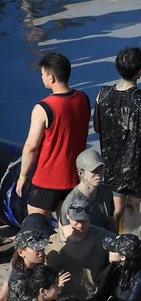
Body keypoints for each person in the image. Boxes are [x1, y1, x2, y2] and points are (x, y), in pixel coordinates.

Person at [95, 46, 141, 233]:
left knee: (116, 211)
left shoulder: (102, 94)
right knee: (138, 211)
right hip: (138, 166)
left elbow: (96, 127)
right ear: (140, 71)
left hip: (112, 164)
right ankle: (136, 247)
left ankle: (113, 248)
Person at [16, 53, 89, 219]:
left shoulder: (43, 108)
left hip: (46, 180)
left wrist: (22, 176)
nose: (42, 77)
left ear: (51, 77)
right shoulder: (83, 99)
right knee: (69, 227)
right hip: (75, 178)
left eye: (42, 74)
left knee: (35, 228)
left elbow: (31, 147)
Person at [44, 193, 115, 301]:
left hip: (92, 297)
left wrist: (108, 271)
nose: (80, 224)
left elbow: (126, 249)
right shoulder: (52, 238)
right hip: (60, 297)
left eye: (85, 220)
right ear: (67, 215)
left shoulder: (100, 236)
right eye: (77, 220)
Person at [57, 150, 117, 232]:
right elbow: (66, 233)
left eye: (101, 168)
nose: (98, 174)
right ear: (81, 173)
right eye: (94, 170)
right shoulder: (71, 202)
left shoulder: (106, 191)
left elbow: (111, 221)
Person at [3, 224, 64, 301]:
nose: (41, 252)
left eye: (42, 248)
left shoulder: (36, 268)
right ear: (21, 252)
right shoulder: (20, 280)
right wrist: (54, 288)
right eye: (36, 249)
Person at [96, 234, 141, 301]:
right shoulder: (116, 267)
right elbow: (104, 294)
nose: (109, 252)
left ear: (123, 257)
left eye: (113, 250)